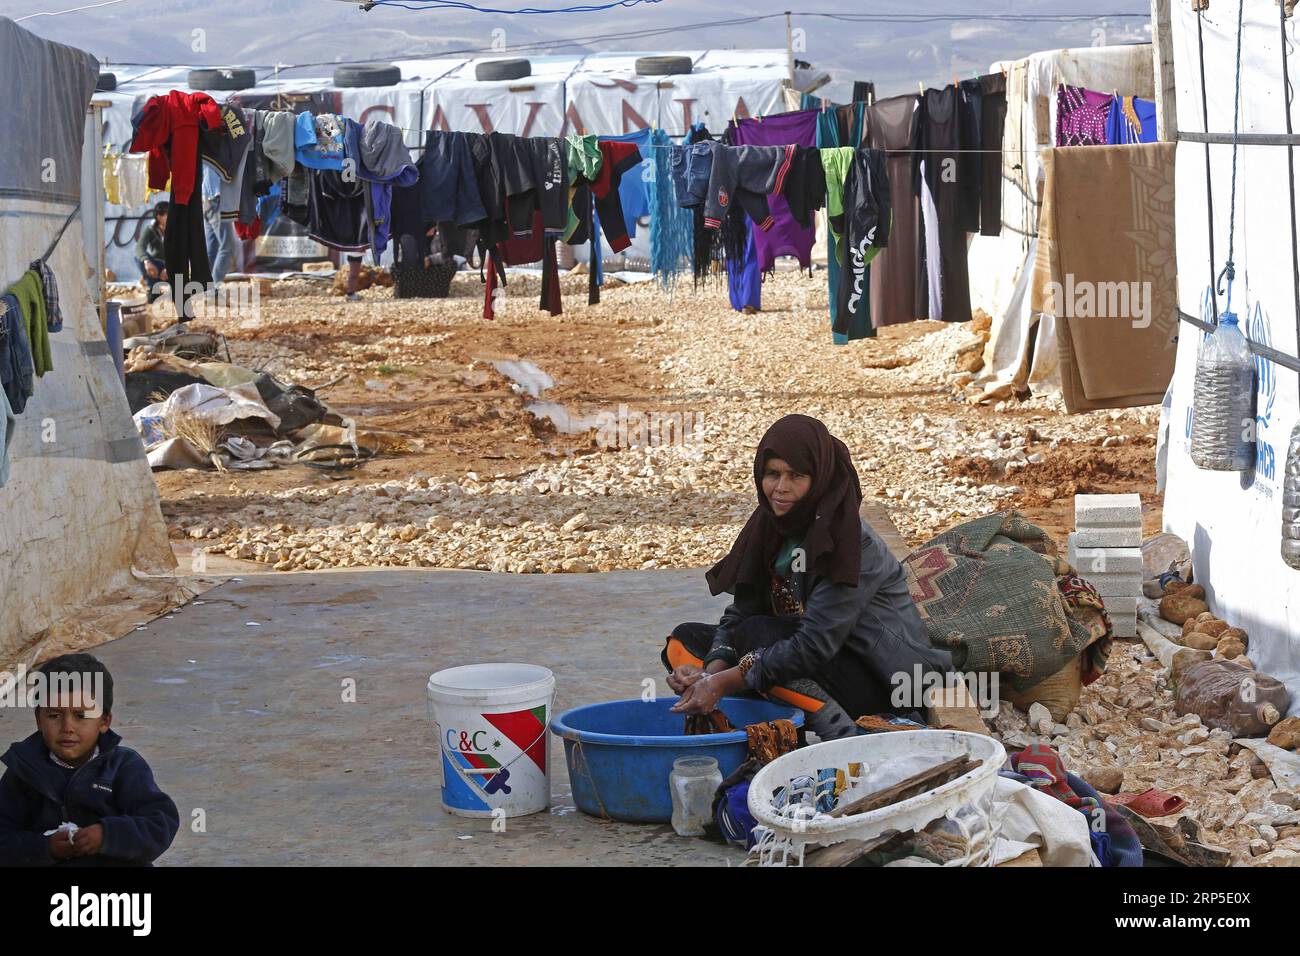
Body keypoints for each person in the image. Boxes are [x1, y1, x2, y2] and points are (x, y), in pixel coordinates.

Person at [663, 414, 952, 740]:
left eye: (796, 476)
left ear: (820, 479)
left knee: (760, 643)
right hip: (818, 663)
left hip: (884, 681)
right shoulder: (769, 527)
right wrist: (709, 672)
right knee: (684, 641)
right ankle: (744, 722)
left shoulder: (850, 541)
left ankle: (845, 736)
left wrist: (722, 682)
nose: (780, 488)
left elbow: (813, 645)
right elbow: (742, 611)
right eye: (772, 474)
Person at [0, 653, 180, 866]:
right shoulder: (24, 771)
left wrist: (107, 835)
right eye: (54, 715)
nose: (67, 727)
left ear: (104, 721)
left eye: (81, 715)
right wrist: (45, 848)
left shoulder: (123, 767)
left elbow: (160, 824)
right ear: (38, 720)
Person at [201, 161, 238, 285]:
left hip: (206, 200)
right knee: (227, 246)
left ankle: (204, 285)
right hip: (215, 199)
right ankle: (214, 286)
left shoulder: (202, 147)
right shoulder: (214, 145)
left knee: (212, 247)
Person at [135, 201, 168, 301]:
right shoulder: (151, 229)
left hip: (174, 267)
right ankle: (154, 288)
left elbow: (182, 252)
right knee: (138, 258)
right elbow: (139, 247)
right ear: (159, 217)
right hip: (157, 268)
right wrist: (147, 261)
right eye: (168, 214)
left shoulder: (177, 229)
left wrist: (170, 267)